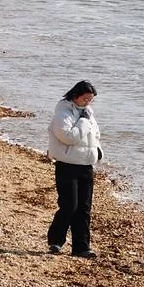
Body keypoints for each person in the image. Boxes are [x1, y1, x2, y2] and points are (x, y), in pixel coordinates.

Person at [46, 80, 102, 258]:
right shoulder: (62, 113)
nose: (88, 102)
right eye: (85, 98)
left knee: (84, 208)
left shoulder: (88, 113)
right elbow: (68, 137)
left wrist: (98, 152)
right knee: (69, 205)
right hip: (67, 165)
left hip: (86, 165)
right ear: (75, 96)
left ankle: (81, 247)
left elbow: (95, 135)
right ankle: (56, 240)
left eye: (91, 100)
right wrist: (84, 121)